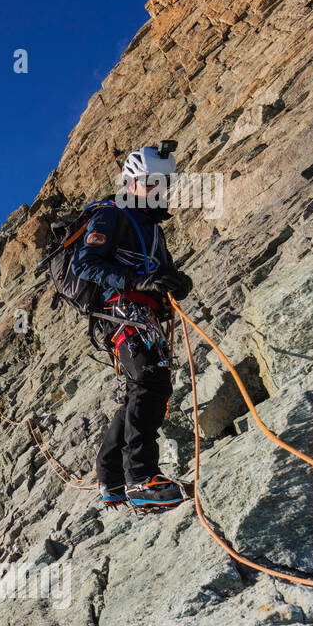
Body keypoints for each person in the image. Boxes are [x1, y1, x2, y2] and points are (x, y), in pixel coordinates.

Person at [72, 144, 194, 511]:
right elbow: (85, 263)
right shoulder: (112, 215)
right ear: (131, 182)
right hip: (121, 311)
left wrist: (177, 283)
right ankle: (141, 478)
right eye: (150, 182)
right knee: (150, 382)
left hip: (143, 314)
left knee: (143, 387)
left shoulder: (152, 228)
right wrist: (136, 283)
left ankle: (110, 478)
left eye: (163, 182)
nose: (158, 188)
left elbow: (160, 274)